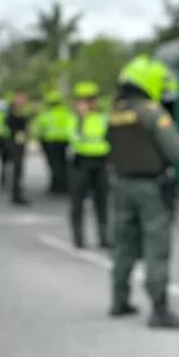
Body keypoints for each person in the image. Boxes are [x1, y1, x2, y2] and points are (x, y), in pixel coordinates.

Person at [106, 55, 179, 328]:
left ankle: (119, 301)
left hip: (122, 185)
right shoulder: (152, 112)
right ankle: (160, 310)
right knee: (156, 246)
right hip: (151, 189)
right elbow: (177, 152)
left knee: (124, 244)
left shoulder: (116, 112)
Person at [67, 81, 110, 248]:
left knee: (102, 201)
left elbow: (108, 139)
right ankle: (78, 238)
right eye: (83, 100)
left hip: (100, 163)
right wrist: (81, 119)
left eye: (91, 99)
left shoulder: (102, 117)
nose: (88, 103)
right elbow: (76, 139)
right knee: (77, 202)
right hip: (81, 163)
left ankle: (104, 237)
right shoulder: (74, 119)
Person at [34, 90, 72, 194]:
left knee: (54, 165)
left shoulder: (46, 114)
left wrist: (39, 139)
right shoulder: (66, 112)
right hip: (64, 142)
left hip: (50, 142)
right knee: (63, 164)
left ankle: (56, 186)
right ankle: (64, 186)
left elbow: (39, 129)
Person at [5, 91, 32, 205]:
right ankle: (16, 195)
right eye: (23, 98)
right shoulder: (13, 111)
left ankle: (17, 193)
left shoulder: (18, 110)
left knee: (18, 169)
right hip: (15, 142)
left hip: (18, 142)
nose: (25, 101)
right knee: (17, 169)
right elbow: (13, 124)